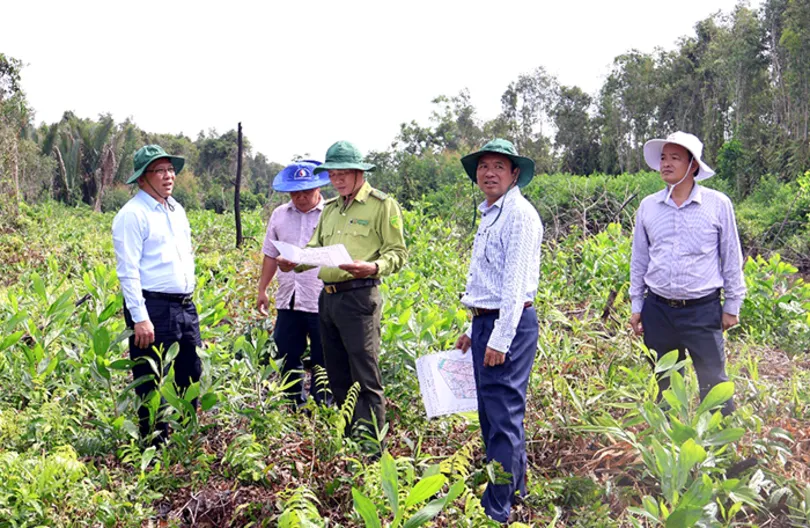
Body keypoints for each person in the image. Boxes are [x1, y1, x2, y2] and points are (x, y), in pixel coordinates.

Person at [277, 140, 407, 435]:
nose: (337, 181)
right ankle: (348, 439)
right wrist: (294, 261)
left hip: (360, 296)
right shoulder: (331, 209)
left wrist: (373, 267)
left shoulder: (382, 206)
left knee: (365, 374)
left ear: (359, 172)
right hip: (329, 299)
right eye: (332, 175)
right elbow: (314, 248)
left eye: (343, 174)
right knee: (337, 374)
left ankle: (372, 446)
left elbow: (398, 253)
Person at [454, 138, 543, 523]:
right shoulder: (490, 212)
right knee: (493, 416)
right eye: (483, 167)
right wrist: (472, 329)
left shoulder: (519, 215)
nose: (489, 173)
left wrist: (500, 339)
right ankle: (515, 490)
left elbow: (514, 283)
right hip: (486, 320)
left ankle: (497, 508)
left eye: (498, 167)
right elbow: (485, 278)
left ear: (515, 174)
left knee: (503, 416)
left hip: (509, 323)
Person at [629, 131, 746, 416]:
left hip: (702, 310)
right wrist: (637, 304)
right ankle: (671, 448)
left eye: (675, 158)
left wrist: (732, 306)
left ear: (693, 165)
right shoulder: (649, 207)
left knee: (713, 381)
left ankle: (721, 450)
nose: (665, 164)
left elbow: (731, 256)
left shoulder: (717, 205)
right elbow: (639, 260)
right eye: (663, 158)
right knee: (666, 381)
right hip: (658, 309)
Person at [112, 144, 202, 445]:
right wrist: (140, 318)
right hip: (154, 307)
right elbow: (128, 271)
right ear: (142, 179)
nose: (168, 176)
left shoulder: (176, 210)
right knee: (151, 377)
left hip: (185, 305)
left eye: (170, 169)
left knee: (191, 370)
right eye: (159, 171)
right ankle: (154, 441)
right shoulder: (132, 215)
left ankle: (188, 436)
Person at [257, 160, 331, 405]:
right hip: (289, 298)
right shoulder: (279, 215)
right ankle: (293, 406)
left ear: (318, 188)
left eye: (306, 191)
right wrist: (262, 289)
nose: (301, 197)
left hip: (322, 298)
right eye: (295, 192)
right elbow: (270, 253)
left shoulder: (332, 214)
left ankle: (323, 408)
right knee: (287, 354)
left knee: (324, 357)